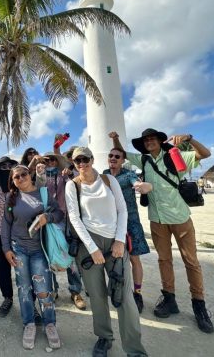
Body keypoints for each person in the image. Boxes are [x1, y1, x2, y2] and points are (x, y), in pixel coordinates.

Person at [110, 129, 214, 334]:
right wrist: (115, 139)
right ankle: (169, 298)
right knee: (164, 260)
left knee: (191, 261)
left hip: (180, 217)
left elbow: (205, 154)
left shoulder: (175, 155)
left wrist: (190, 138)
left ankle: (199, 306)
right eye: (146, 140)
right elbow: (121, 153)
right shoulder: (144, 160)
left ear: (160, 140)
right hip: (157, 220)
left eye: (152, 138)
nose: (149, 142)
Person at [65, 147, 147, 357]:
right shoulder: (72, 185)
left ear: (92, 159)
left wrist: (120, 240)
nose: (81, 163)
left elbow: (122, 210)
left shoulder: (109, 181)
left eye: (85, 159)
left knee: (124, 296)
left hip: (114, 242)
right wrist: (92, 249)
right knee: (97, 295)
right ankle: (104, 337)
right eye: (77, 161)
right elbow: (74, 218)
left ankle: (134, 349)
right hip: (88, 244)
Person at [1, 165, 64, 350]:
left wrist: (47, 217)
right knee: (24, 289)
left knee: (43, 289)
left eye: (24, 174)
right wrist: (6, 249)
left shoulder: (43, 193)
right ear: (13, 181)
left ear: (30, 175)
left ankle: (50, 324)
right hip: (18, 249)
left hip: (40, 250)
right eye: (17, 177)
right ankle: (28, 324)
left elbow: (59, 213)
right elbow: (6, 224)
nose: (21, 178)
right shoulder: (11, 198)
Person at [34, 152, 87, 310]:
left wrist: (68, 173)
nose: (50, 162)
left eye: (53, 159)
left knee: (71, 254)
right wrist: (39, 173)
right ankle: (53, 289)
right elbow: (38, 189)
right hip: (48, 219)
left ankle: (75, 291)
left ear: (58, 161)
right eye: (47, 160)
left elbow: (78, 184)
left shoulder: (65, 174)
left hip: (66, 220)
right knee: (48, 255)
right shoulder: (41, 174)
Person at [103, 147, 151, 313]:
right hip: (111, 223)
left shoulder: (129, 174)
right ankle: (119, 289)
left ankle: (137, 293)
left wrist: (143, 186)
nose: (113, 158)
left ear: (123, 160)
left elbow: (137, 184)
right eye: (111, 155)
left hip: (130, 222)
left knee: (134, 259)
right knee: (115, 259)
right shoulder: (104, 174)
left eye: (117, 156)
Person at [0, 156, 18, 317]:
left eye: (10, 166)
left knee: (23, 270)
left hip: (18, 235)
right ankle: (7, 297)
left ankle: (30, 302)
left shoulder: (20, 184)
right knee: (3, 268)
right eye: (3, 166)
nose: (7, 168)